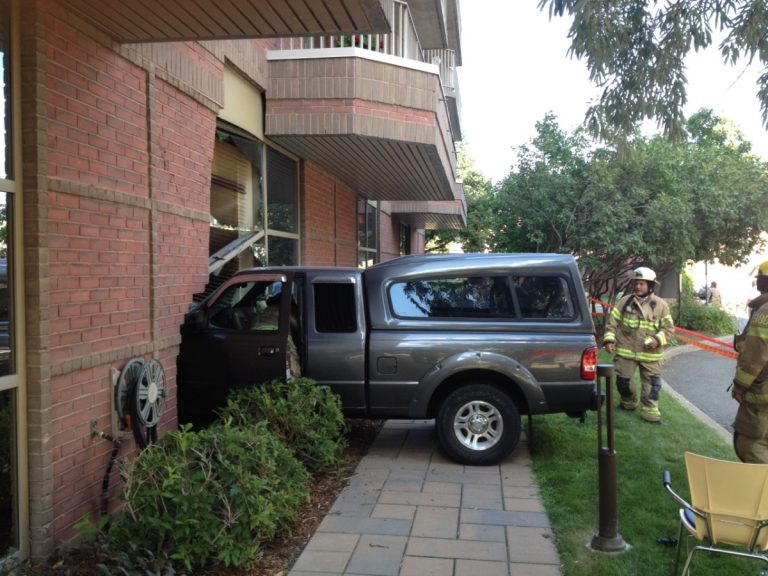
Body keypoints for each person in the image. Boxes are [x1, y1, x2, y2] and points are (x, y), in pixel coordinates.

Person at [602, 267, 675, 424]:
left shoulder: (661, 305)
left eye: (641, 284)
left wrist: (657, 340)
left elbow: (669, 329)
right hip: (626, 352)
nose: (637, 287)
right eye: (636, 283)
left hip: (651, 355)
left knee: (652, 386)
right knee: (623, 383)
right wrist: (609, 340)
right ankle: (627, 404)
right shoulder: (625, 302)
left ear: (650, 285)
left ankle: (651, 414)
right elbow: (611, 323)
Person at [731, 261, 768, 463]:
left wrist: (739, 386)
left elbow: (755, 356)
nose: (757, 283)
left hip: (760, 400)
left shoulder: (765, 312)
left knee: (750, 445)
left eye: (760, 278)